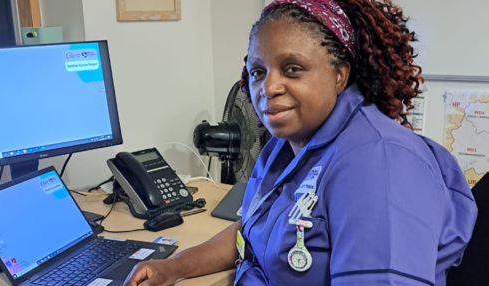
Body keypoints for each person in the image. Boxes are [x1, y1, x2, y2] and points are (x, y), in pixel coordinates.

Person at [124, 0, 477, 285]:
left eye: (292, 68)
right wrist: (173, 268)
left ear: (340, 75)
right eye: (258, 72)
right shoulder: (285, 145)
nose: (268, 88)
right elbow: (251, 231)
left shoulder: (380, 164)